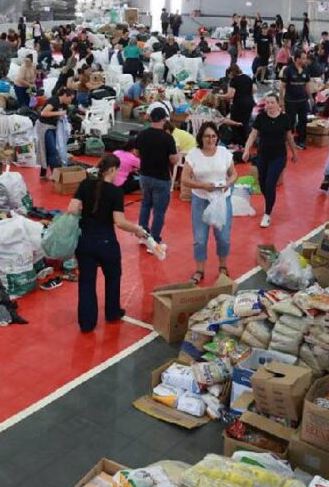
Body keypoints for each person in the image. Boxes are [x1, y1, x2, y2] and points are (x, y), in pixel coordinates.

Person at [67, 154, 149, 332]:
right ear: (112, 170)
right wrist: (137, 229)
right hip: (106, 242)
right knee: (113, 277)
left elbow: (72, 209)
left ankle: (87, 323)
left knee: (86, 283)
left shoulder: (85, 184)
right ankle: (112, 312)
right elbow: (119, 221)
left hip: (85, 240)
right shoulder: (115, 192)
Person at [183, 122, 237, 284]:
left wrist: (228, 183)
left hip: (221, 199)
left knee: (224, 236)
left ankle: (222, 266)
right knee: (200, 238)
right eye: (207, 136)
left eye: (213, 136)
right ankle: (200, 269)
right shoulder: (193, 154)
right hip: (201, 199)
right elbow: (184, 179)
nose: (210, 139)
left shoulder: (224, 153)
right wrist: (202, 186)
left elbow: (233, 174)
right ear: (201, 137)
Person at [242, 93, 298, 228]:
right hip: (263, 155)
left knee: (270, 183)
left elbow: (289, 137)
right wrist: (246, 149)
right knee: (262, 182)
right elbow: (253, 134)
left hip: (278, 156)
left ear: (278, 104)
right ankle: (269, 201)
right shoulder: (261, 118)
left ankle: (267, 214)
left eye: (272, 102)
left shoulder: (285, 119)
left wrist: (294, 153)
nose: (270, 105)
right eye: (267, 103)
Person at [136, 107, 178, 245]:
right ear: (163, 119)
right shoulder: (168, 138)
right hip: (161, 178)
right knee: (159, 211)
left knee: (145, 205)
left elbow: (136, 153)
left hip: (144, 176)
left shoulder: (142, 135)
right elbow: (173, 160)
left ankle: (143, 235)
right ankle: (154, 240)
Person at [36, 88, 74, 179]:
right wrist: (59, 113)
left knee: (48, 149)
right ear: (65, 95)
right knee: (51, 149)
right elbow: (44, 113)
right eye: (70, 98)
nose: (71, 100)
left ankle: (43, 173)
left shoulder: (64, 105)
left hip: (54, 127)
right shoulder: (54, 100)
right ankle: (54, 173)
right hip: (44, 126)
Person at [282, 52, 312, 149]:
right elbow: (282, 86)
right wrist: (280, 100)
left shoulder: (306, 69)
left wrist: (311, 98)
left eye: (305, 58)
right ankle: (288, 140)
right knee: (290, 122)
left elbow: (307, 85)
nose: (305, 60)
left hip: (302, 100)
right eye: (303, 58)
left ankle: (301, 140)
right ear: (297, 59)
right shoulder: (288, 70)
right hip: (290, 101)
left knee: (303, 120)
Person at [223, 64, 254, 145]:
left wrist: (219, 96)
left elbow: (230, 95)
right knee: (246, 122)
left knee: (235, 123)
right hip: (249, 103)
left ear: (231, 73)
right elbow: (254, 89)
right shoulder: (247, 77)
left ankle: (238, 142)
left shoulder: (233, 80)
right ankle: (247, 142)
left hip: (239, 104)